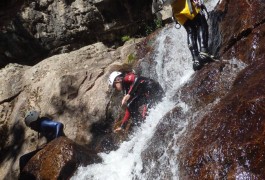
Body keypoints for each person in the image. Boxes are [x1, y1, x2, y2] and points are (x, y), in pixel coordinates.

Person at [152, 0, 214, 71]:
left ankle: (195, 60)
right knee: (201, 23)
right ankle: (204, 52)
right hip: (186, 3)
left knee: (190, 31)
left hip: (176, 7)